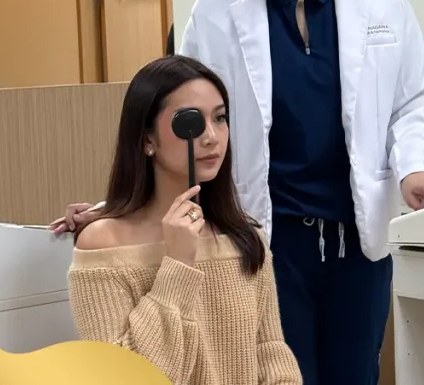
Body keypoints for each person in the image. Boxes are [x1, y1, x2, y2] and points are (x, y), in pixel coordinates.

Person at [53, 0, 424, 384]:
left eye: (223, 120)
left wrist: (414, 170)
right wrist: (122, 207)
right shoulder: (216, 9)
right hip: (271, 238)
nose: (215, 132)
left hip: (357, 241)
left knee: (356, 373)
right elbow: (180, 120)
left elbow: (412, 101)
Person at [66, 55, 302, 384]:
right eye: (190, 121)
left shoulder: (244, 237)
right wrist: (177, 263)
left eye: (220, 118)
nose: (211, 136)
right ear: (147, 138)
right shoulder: (103, 245)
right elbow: (124, 377)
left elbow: (271, 355)